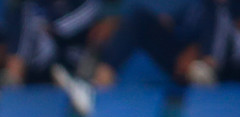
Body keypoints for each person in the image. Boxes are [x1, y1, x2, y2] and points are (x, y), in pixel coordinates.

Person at [0, 0, 112, 105]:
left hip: (58, 65)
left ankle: (12, 79)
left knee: (25, 15)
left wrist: (40, 26)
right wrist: (1, 48)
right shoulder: (36, 5)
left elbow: (61, 28)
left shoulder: (87, 4)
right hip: (16, 56)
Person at [93, 0, 240, 87]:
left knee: (218, 8)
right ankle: (104, 73)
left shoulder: (223, 8)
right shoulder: (196, 6)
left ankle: (207, 65)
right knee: (140, 17)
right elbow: (176, 24)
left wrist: (199, 50)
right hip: (185, 64)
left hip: (225, 65)